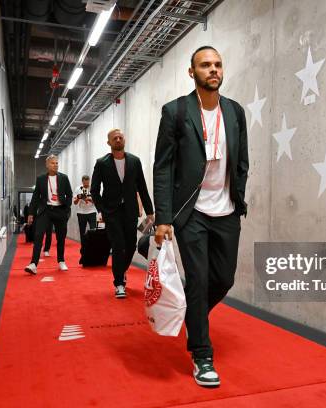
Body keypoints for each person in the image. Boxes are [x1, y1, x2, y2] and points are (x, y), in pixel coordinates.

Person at [153, 46, 248, 387]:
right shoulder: (176, 112)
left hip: (226, 211)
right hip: (191, 212)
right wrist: (163, 217)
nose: (213, 70)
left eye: (218, 64)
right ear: (191, 72)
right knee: (198, 278)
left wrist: (238, 196)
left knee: (223, 279)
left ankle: (193, 315)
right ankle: (202, 355)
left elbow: (241, 162)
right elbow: (162, 167)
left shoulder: (235, 113)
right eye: (205, 65)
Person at [90, 128, 154, 298]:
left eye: (120, 137)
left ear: (124, 140)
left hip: (130, 211)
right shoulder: (102, 163)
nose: (118, 139)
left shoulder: (134, 161)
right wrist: (102, 209)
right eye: (114, 138)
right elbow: (94, 190)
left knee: (131, 244)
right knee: (118, 245)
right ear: (109, 143)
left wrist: (150, 212)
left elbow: (142, 187)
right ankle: (119, 283)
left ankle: (121, 270)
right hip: (111, 212)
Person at [24, 154, 73, 274]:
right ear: (47, 165)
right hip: (45, 211)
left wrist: (66, 208)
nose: (56, 165)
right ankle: (33, 264)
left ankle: (61, 260)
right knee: (38, 235)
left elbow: (70, 194)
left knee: (61, 237)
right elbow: (35, 198)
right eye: (53, 163)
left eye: (57, 163)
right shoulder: (41, 179)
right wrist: (31, 214)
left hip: (60, 210)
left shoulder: (64, 178)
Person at [74, 175, 98, 241]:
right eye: (85, 183)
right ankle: (83, 247)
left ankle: (92, 246)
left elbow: (97, 201)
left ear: (89, 181)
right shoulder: (78, 189)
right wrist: (79, 197)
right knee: (82, 232)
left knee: (93, 230)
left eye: (87, 182)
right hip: (81, 213)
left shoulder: (93, 189)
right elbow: (75, 202)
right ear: (82, 182)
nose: (86, 184)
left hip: (92, 212)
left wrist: (89, 199)